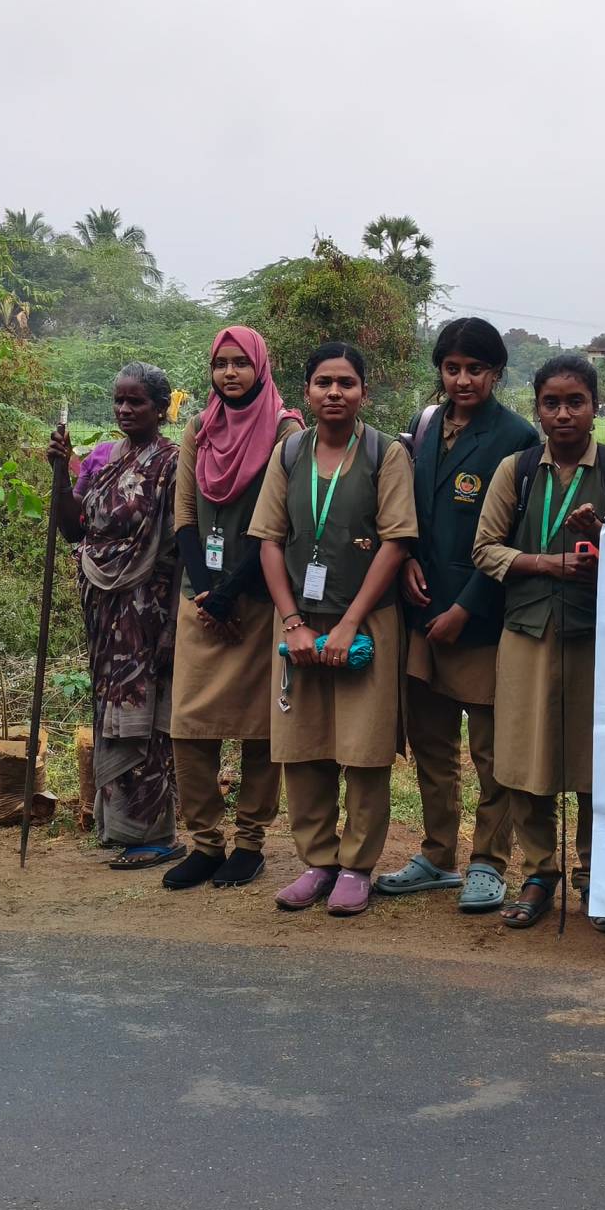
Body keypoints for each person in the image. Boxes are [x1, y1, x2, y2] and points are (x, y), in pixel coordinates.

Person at [477, 354, 605, 930]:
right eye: (551, 403)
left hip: (597, 639)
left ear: (595, 407)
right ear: (538, 408)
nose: (563, 413)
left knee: (593, 760)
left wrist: (601, 541)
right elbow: (484, 549)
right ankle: (539, 872)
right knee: (527, 758)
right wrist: (546, 564)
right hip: (527, 633)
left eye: (575, 402)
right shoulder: (518, 469)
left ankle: (593, 874)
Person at [253, 343, 418, 917]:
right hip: (297, 623)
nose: (334, 392)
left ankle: (356, 866)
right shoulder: (289, 453)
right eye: (323, 382)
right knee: (302, 747)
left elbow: (396, 541)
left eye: (346, 383)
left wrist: (350, 624)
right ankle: (318, 861)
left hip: (366, 621)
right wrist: (293, 622)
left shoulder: (386, 454)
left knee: (364, 748)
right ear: (306, 391)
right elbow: (270, 539)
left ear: (364, 393)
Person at [377, 317, 536, 913]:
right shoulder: (424, 426)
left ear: (496, 373)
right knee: (433, 744)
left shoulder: (518, 438)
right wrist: (409, 562)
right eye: (452, 368)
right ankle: (438, 855)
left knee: (492, 753)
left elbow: (513, 538)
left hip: (485, 619)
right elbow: (406, 510)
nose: (462, 379)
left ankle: (490, 864)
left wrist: (467, 606)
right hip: (421, 611)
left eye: (475, 369)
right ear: (439, 371)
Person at [157, 327, 302, 891]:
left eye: (242, 363)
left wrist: (232, 592)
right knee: (189, 726)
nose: (231, 373)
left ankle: (249, 842)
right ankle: (205, 843)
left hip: (261, 599)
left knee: (260, 729)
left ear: (260, 366)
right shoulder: (199, 427)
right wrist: (205, 591)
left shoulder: (287, 431)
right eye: (221, 364)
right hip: (202, 600)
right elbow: (184, 512)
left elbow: (281, 522)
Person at [47, 363, 183, 870]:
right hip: (104, 611)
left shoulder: (173, 463)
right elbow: (72, 528)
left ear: (161, 408)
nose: (125, 410)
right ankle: (122, 827)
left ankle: (156, 833)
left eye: (137, 402)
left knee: (145, 720)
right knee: (112, 711)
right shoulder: (104, 460)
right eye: (119, 402)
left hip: (148, 610)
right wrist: (62, 474)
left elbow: (181, 547)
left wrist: (172, 624)